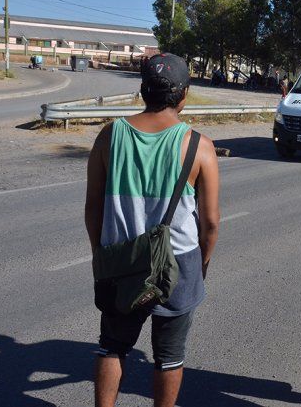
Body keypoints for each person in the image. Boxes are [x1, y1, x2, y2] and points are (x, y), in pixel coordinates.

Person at [85, 53, 221, 407]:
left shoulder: (109, 136)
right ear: (184, 95)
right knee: (170, 355)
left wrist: (100, 255)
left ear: (143, 90)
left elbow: (93, 208)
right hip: (180, 263)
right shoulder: (198, 146)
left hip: (121, 261)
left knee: (112, 347)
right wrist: (202, 264)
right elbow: (210, 223)